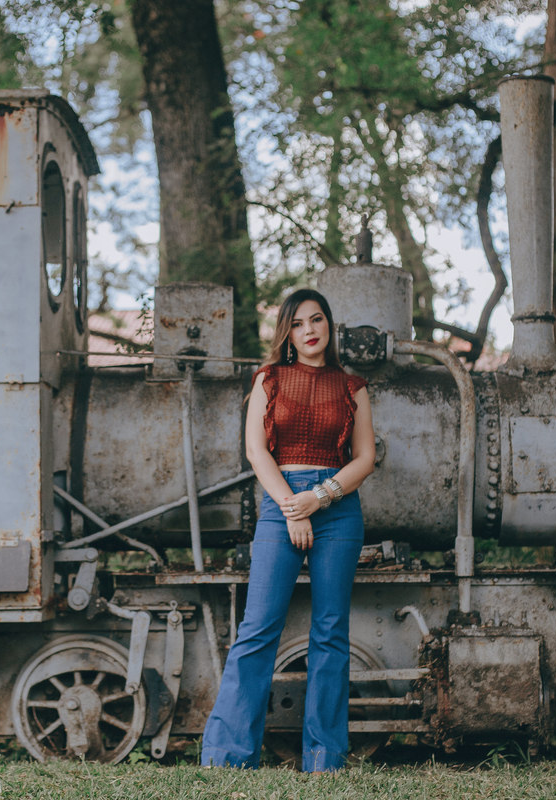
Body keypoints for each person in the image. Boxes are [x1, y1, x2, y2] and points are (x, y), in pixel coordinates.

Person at [200, 288, 376, 773]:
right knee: (258, 629)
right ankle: (229, 757)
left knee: (330, 633)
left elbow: (365, 458)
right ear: (287, 333)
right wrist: (293, 508)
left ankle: (324, 759)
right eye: (298, 324)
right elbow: (257, 451)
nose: (309, 330)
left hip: (338, 508)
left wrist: (318, 499)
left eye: (317, 320)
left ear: (329, 326)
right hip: (282, 503)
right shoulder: (269, 378)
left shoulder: (352, 386)